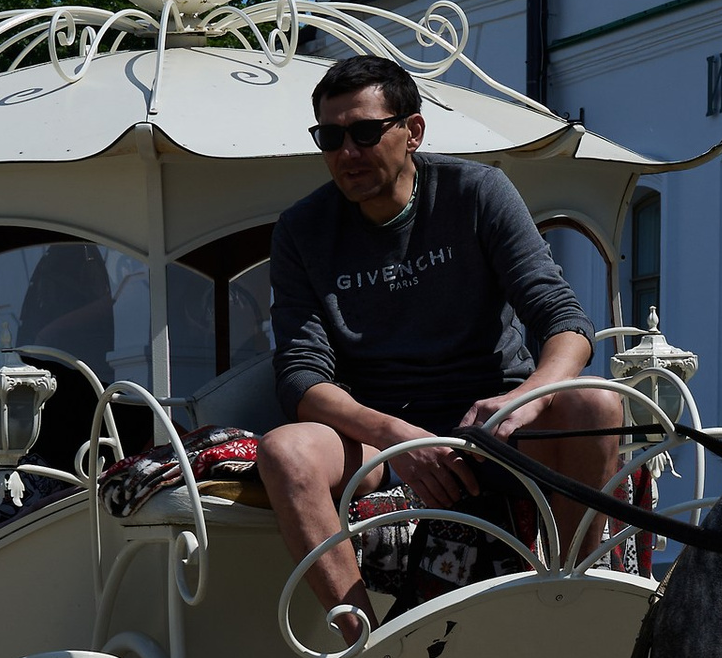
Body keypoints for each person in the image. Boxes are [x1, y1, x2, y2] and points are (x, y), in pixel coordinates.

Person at [258, 51, 619, 621]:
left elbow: (565, 322)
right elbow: (302, 378)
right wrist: (404, 437)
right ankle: (365, 650)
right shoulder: (302, 229)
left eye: (364, 132)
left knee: (596, 401)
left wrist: (527, 400)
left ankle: (571, 600)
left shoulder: (477, 192)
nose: (346, 152)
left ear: (413, 131)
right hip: (382, 438)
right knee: (284, 451)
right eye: (329, 137)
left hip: (495, 425)